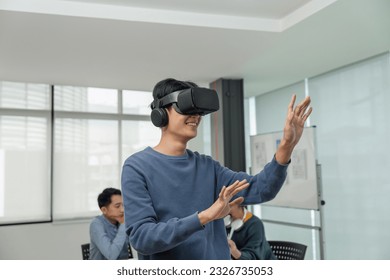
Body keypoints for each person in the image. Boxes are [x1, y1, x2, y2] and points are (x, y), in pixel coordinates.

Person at [121, 78, 312, 260]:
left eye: (198, 111)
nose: (195, 116)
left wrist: (287, 145)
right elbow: (142, 238)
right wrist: (205, 216)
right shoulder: (137, 167)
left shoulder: (207, 166)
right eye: (186, 107)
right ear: (161, 113)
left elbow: (262, 189)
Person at [89, 187, 130, 260]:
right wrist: (123, 224)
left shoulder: (121, 220)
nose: (122, 210)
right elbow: (111, 255)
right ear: (104, 210)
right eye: (117, 206)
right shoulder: (96, 224)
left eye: (123, 205)